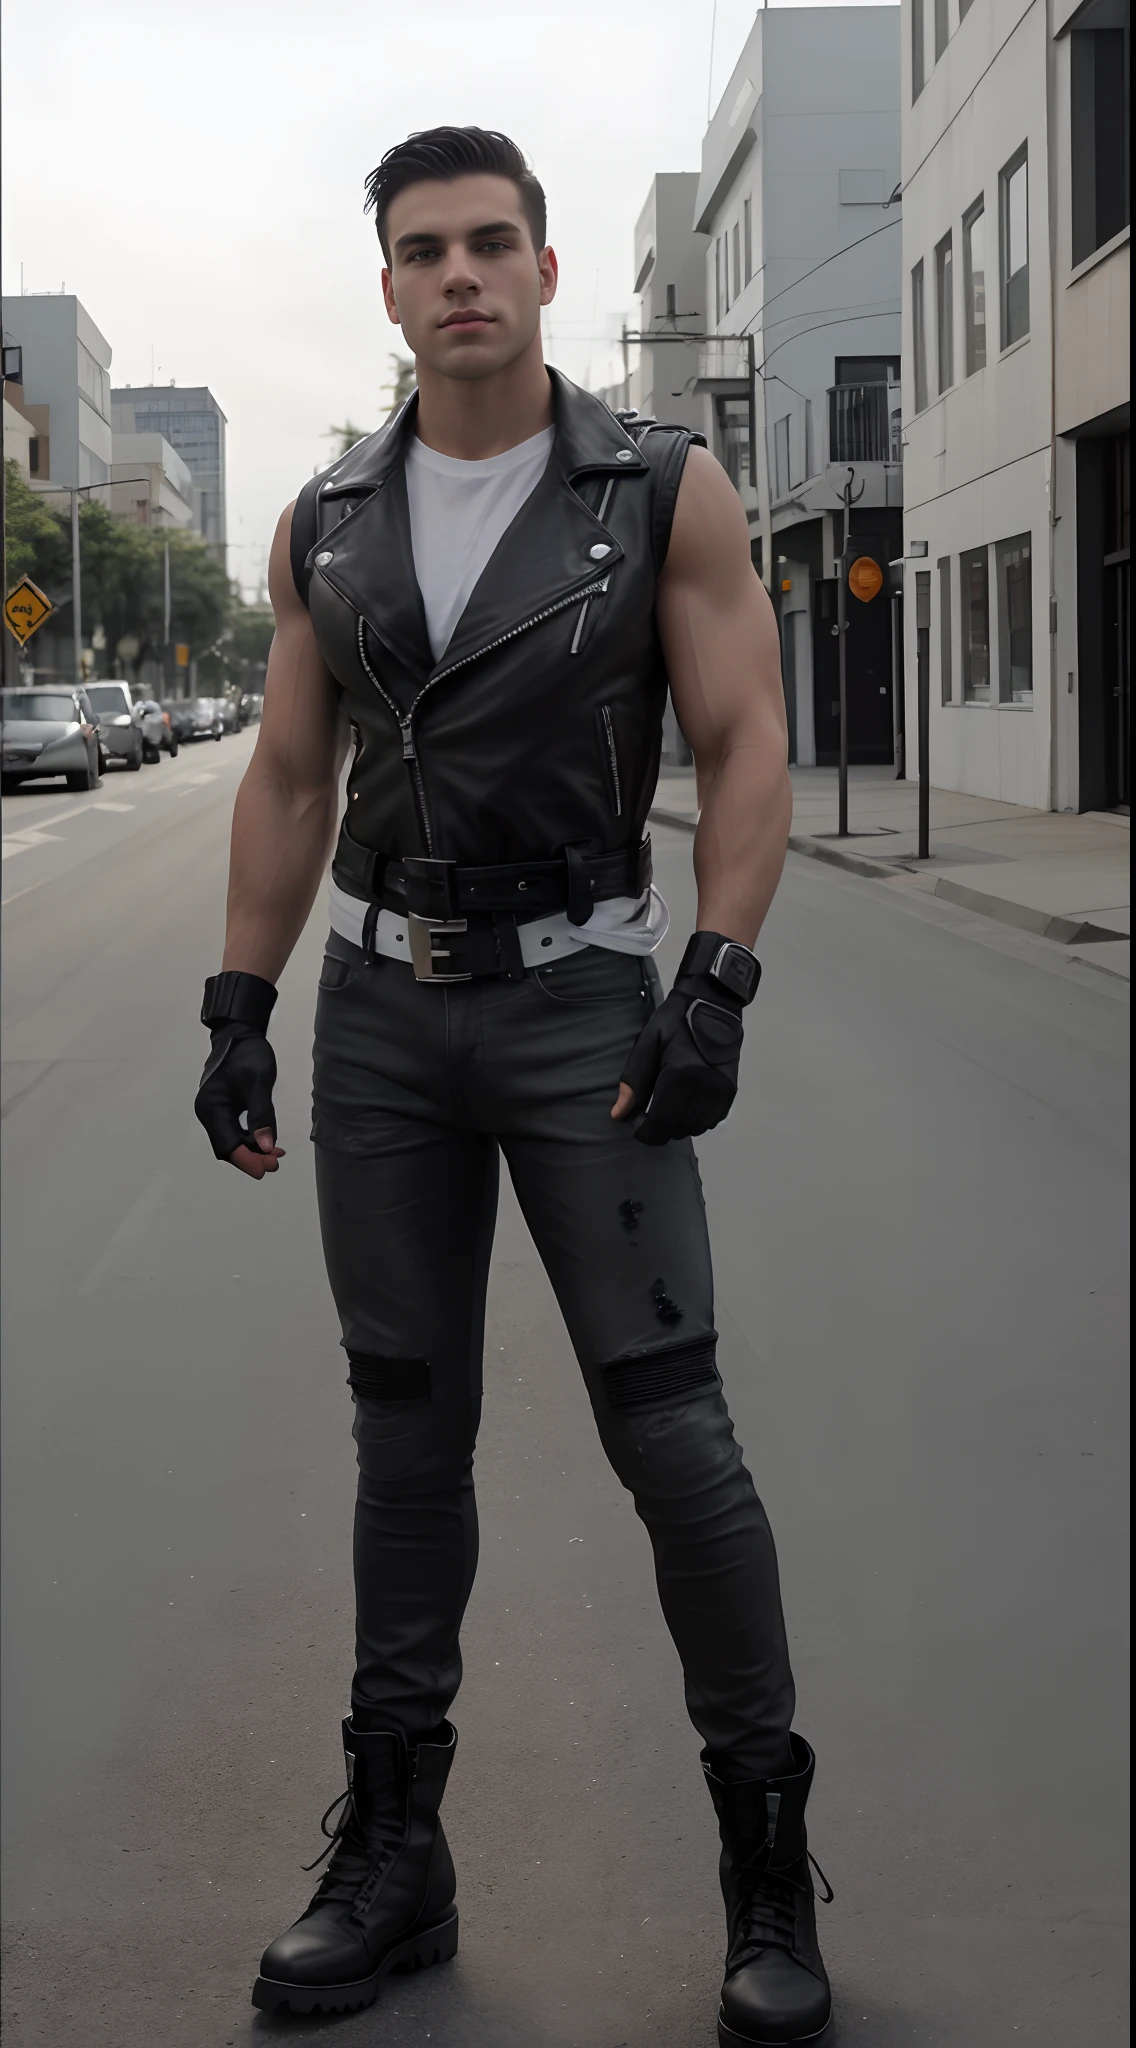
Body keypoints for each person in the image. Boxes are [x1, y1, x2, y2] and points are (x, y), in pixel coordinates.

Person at [194, 126, 832, 2046]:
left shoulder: (660, 491)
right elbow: (291, 776)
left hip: (583, 1015)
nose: (459, 273)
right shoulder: (329, 520)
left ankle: (763, 1861)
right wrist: (238, 997)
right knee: (407, 1442)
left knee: (673, 1440)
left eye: (491, 242)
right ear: (386, 286)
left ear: (549, 270)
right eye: (422, 249)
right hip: (384, 1025)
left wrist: (716, 973)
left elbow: (742, 739)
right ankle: (397, 1852)